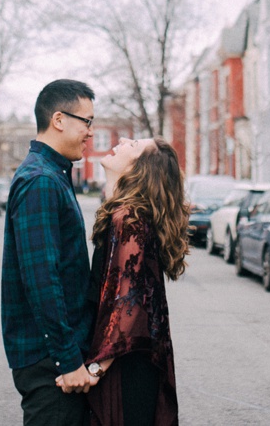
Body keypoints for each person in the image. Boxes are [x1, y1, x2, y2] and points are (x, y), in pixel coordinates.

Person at [2, 79, 101, 425]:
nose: (91, 132)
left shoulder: (53, 175)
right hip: (52, 365)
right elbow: (42, 279)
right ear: (59, 120)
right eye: (86, 122)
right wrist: (68, 360)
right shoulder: (41, 181)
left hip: (57, 356)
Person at [79, 137, 189, 426]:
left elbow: (129, 303)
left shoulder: (130, 218)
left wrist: (95, 369)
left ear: (140, 168)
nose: (123, 140)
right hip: (132, 361)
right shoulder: (127, 213)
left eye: (134, 143)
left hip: (126, 365)